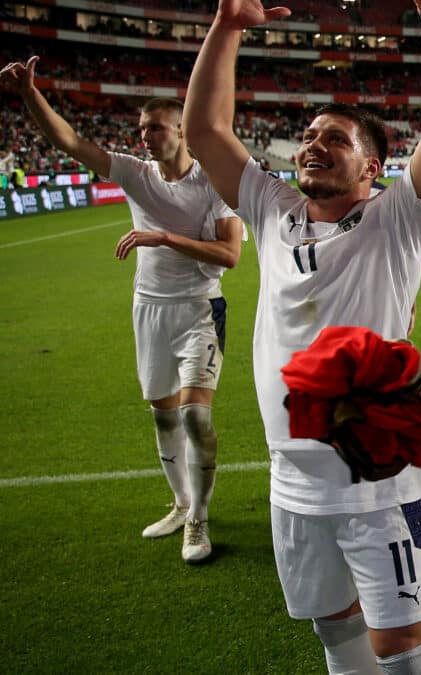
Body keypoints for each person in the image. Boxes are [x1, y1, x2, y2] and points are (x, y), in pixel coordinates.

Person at [183, 0, 421, 672]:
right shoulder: (271, 209)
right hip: (290, 480)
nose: (313, 144)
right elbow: (204, 130)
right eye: (309, 134)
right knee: (334, 632)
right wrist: (227, 27)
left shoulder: (396, 220)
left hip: (375, 479)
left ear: (373, 168)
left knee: (401, 648)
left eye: (336, 139)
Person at [0, 58, 242, 564]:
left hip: (200, 309)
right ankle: (179, 504)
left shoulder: (214, 184)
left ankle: (198, 519)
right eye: (140, 129)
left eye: (155, 127)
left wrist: (162, 238)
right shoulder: (133, 173)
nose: (145, 136)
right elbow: (70, 142)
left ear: (181, 130)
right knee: (163, 413)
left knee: (196, 415)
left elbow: (231, 256)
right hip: (149, 310)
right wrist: (29, 93)